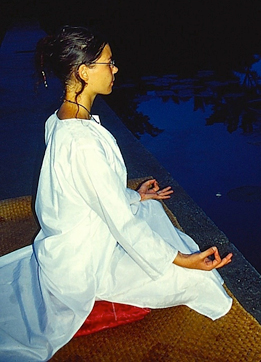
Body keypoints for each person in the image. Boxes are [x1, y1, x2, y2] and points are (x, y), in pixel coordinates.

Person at [0, 26, 232, 361]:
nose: (115, 69)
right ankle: (135, 281)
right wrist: (182, 261)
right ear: (83, 71)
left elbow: (91, 192)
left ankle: (161, 250)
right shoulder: (81, 142)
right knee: (200, 283)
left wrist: (135, 195)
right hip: (84, 263)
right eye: (108, 63)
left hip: (79, 238)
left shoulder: (62, 118)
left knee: (150, 211)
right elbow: (121, 222)